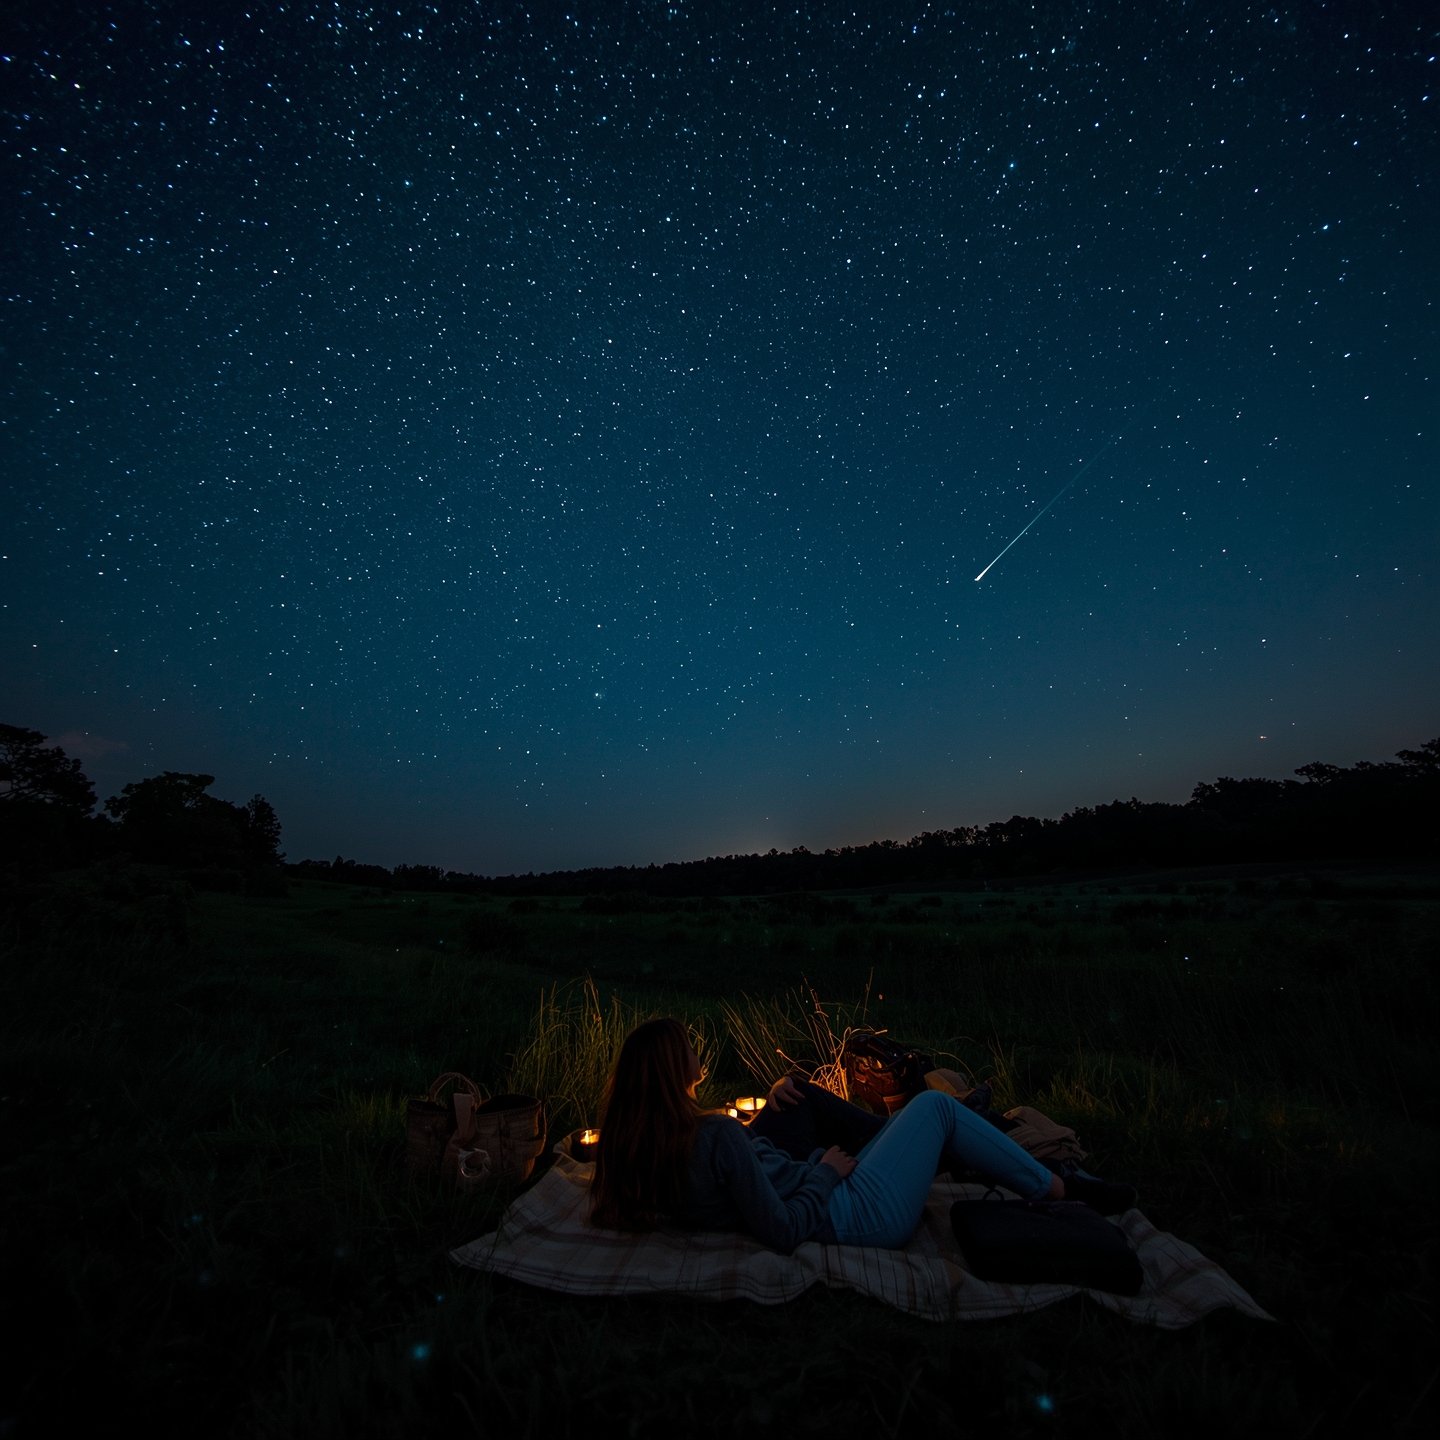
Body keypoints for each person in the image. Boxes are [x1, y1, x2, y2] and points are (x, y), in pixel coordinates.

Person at [589, 1017, 1134, 1253]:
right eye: (686, 1044)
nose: (695, 1051)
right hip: (855, 1213)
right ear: (668, 1069)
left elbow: (738, 1174)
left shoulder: (659, 1147)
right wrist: (824, 1175)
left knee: (809, 1095)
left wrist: (774, 1105)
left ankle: (996, 1141)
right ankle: (1058, 1188)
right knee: (931, 1110)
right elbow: (781, 1231)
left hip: (837, 1192)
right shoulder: (711, 1138)